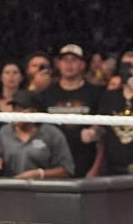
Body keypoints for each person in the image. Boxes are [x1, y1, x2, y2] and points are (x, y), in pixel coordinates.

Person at [34, 44, 99, 178]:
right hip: (53, 162)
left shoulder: (95, 93)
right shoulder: (47, 93)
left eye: (74, 60)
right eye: (65, 60)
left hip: (85, 160)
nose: (69, 64)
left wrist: (94, 131)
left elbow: (103, 129)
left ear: (82, 65)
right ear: (58, 64)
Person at [0, 90, 75, 180]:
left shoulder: (52, 134)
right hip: (13, 189)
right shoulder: (4, 132)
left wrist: (40, 174)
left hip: (43, 190)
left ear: (33, 112)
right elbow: (0, 159)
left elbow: (67, 169)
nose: (15, 114)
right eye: (14, 109)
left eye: (20, 110)